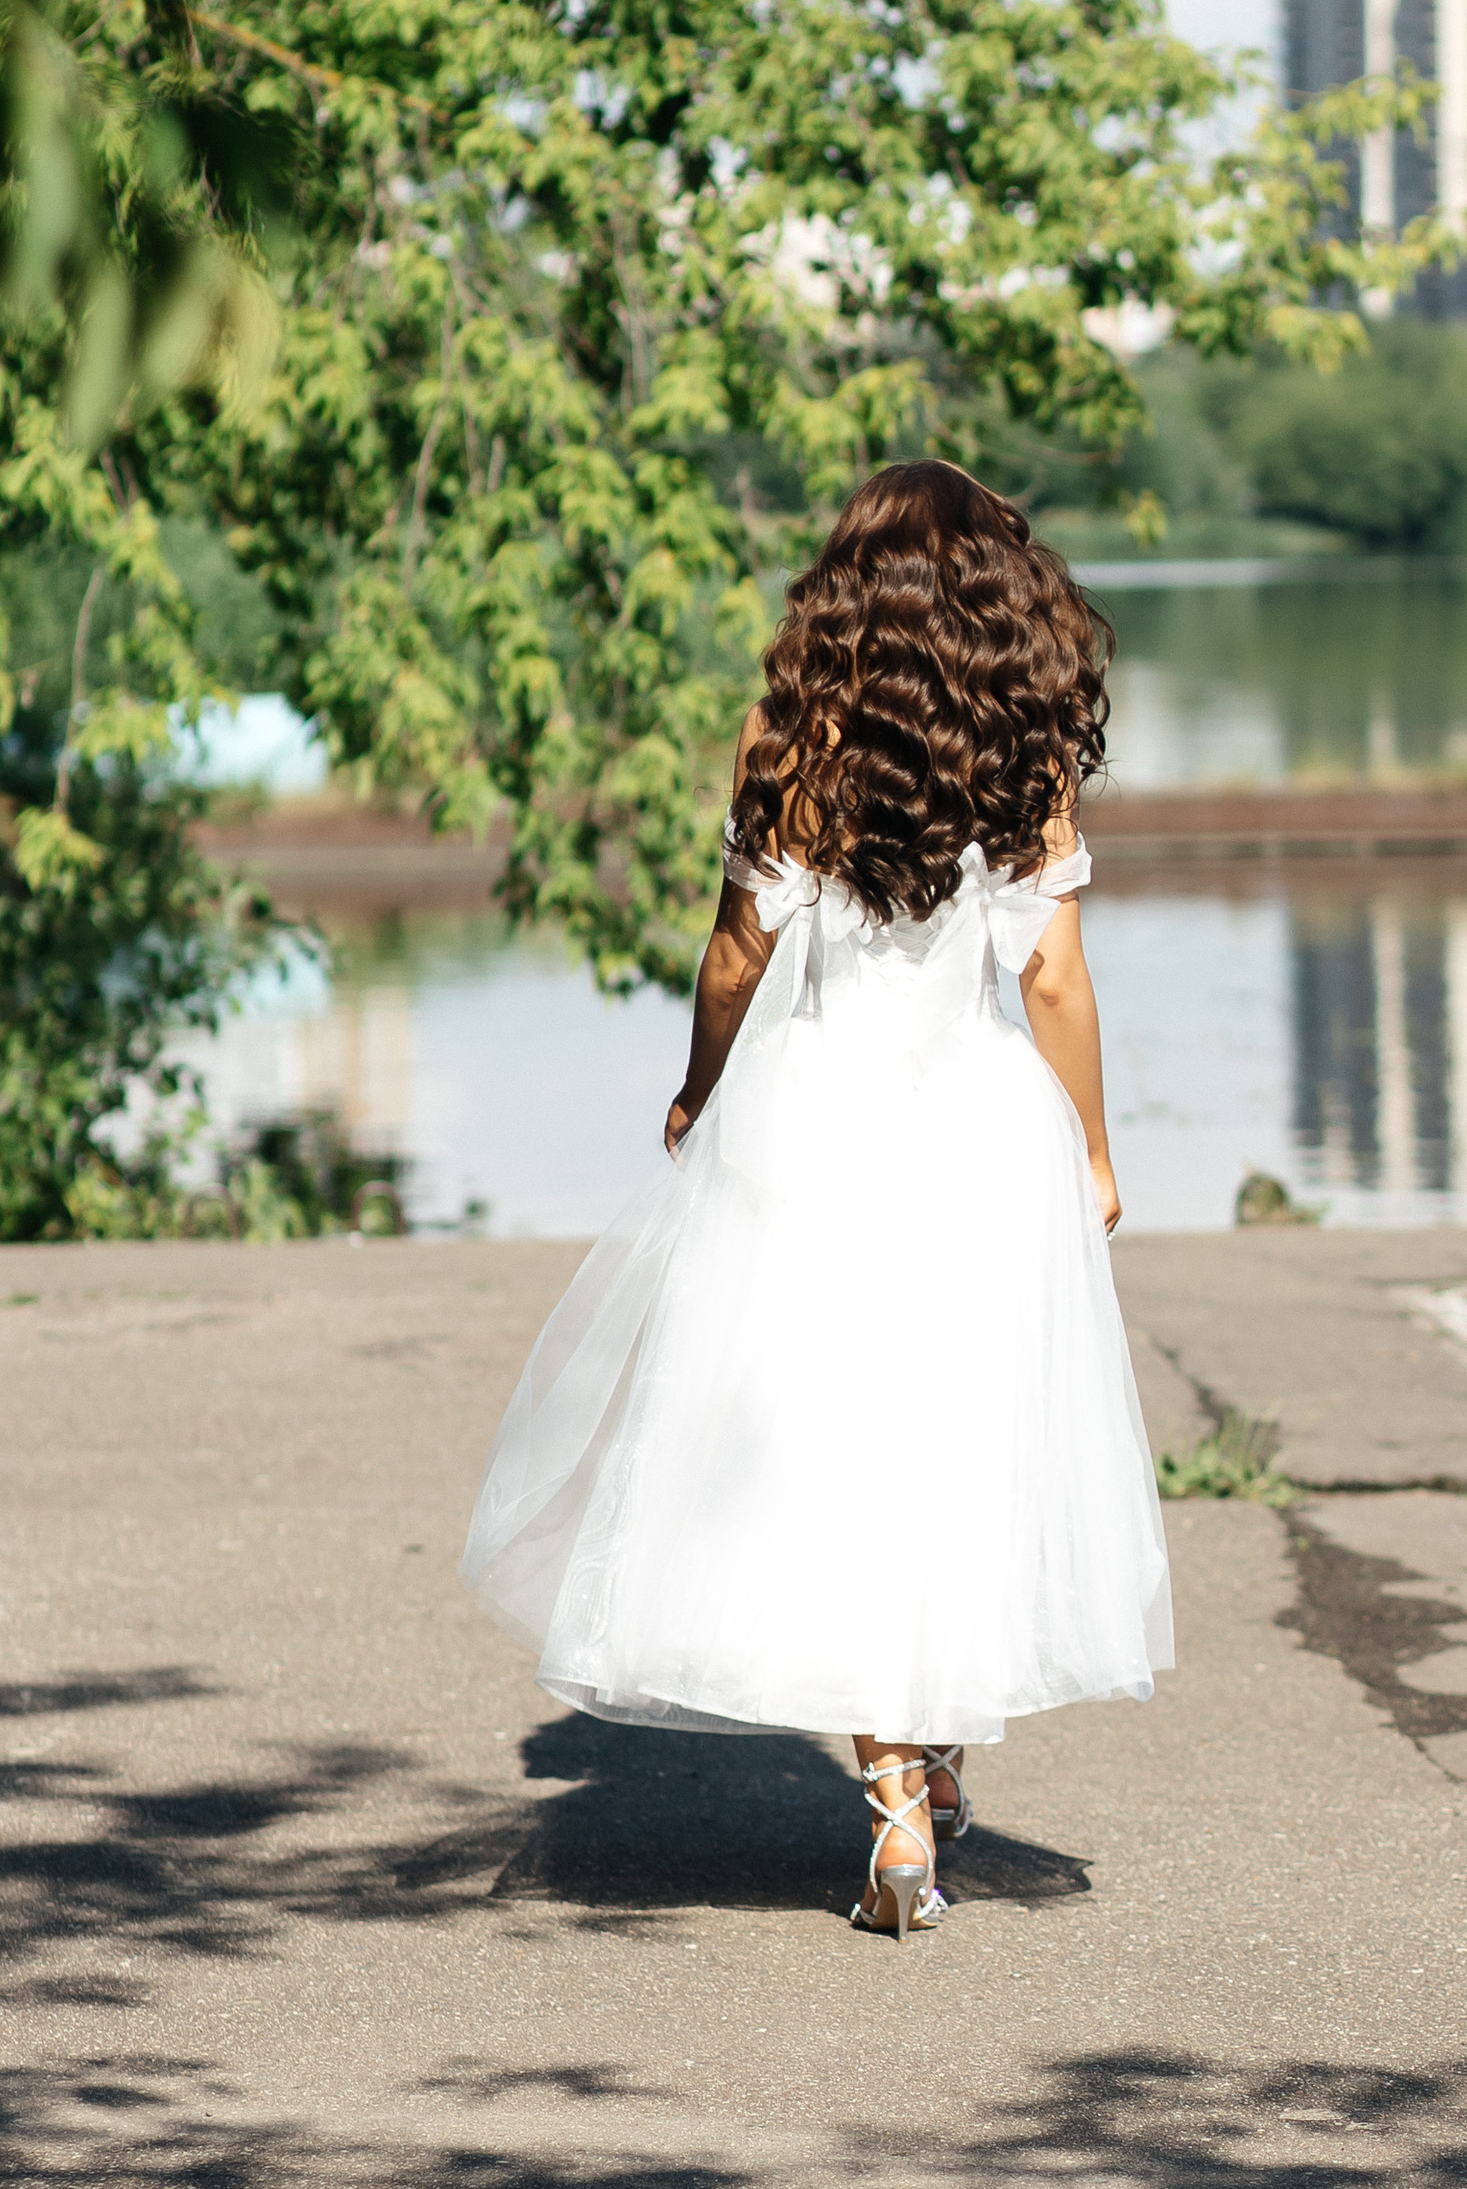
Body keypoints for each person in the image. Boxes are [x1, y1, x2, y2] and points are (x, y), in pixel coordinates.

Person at [460, 459, 1173, 1940]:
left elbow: (736, 952)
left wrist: (699, 1086)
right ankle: (932, 1747)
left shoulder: (797, 731)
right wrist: (1095, 1151)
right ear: (1002, 599)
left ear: (842, 594)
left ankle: (899, 1804)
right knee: (958, 1442)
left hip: (815, 1124)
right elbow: (1049, 974)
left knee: (835, 1448)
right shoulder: (1027, 738)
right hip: (978, 1130)